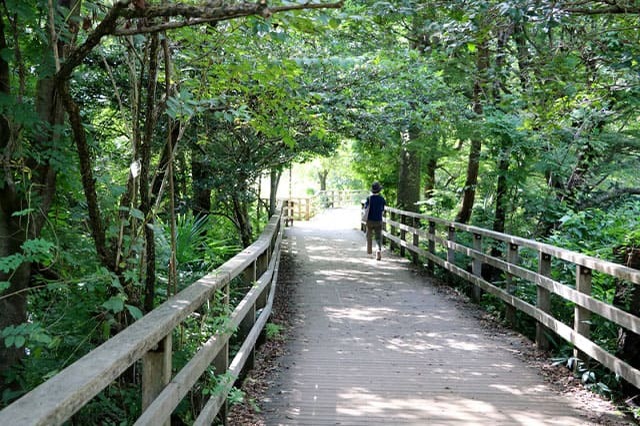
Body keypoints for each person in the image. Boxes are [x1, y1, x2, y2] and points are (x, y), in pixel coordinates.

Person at [364, 181, 386, 260]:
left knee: (369, 236)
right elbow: (383, 209)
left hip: (369, 220)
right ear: (379, 190)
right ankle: (378, 250)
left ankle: (369, 252)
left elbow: (365, 208)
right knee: (378, 237)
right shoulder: (381, 199)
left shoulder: (369, 198)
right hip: (378, 220)